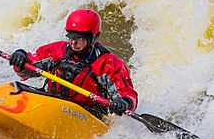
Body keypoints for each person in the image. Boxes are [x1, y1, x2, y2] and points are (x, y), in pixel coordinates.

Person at [9, 9, 138, 119]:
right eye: (71, 37)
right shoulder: (57, 51)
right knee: (15, 88)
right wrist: (20, 58)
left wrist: (124, 102)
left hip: (85, 115)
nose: (73, 42)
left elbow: (128, 94)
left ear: (93, 38)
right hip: (50, 103)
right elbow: (28, 68)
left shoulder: (108, 63)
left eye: (79, 39)